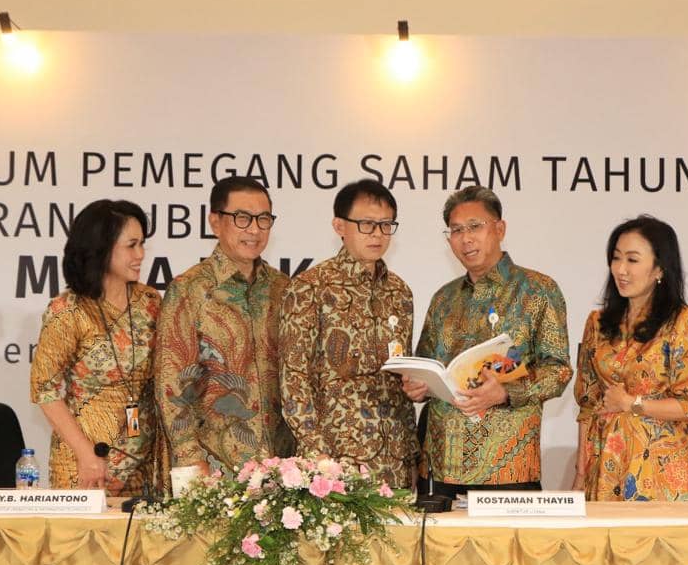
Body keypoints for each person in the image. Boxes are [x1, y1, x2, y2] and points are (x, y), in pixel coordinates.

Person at [402, 185, 571, 497]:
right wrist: (418, 386)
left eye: (475, 227)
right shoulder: (444, 298)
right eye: (456, 230)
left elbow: (558, 371)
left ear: (500, 229)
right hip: (442, 462)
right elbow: (427, 364)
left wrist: (505, 392)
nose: (466, 238)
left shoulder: (538, 290)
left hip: (507, 465)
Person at [279, 179, 418, 488]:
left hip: (397, 458)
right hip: (336, 461)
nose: (378, 234)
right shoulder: (310, 287)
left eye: (386, 225)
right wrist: (316, 454)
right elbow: (294, 379)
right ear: (339, 226)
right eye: (367, 224)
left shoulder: (400, 292)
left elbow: (401, 370)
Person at [155, 176, 293, 473]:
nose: (254, 229)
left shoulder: (283, 288)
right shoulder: (190, 289)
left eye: (263, 219)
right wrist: (190, 457)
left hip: (284, 466)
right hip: (216, 466)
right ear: (215, 222)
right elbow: (172, 383)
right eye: (242, 218)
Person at [573, 216, 688, 501]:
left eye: (633, 260)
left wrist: (632, 404)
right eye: (616, 258)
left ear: (659, 268)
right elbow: (588, 404)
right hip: (604, 464)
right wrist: (580, 472)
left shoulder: (687, 323)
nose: (621, 269)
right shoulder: (598, 323)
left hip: (662, 469)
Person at [30, 199, 162, 494]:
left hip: (143, 462)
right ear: (101, 249)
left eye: (142, 244)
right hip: (87, 462)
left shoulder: (150, 302)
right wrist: (85, 453)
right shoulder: (68, 310)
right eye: (131, 245)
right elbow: (44, 389)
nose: (140, 254)